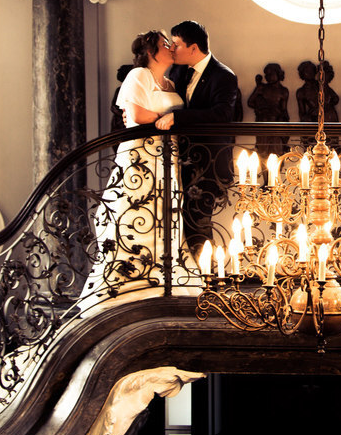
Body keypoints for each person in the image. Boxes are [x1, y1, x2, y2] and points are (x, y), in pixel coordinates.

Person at [82, 30, 183, 304]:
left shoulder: (170, 83)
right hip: (142, 154)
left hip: (167, 154)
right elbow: (136, 114)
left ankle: (162, 276)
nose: (171, 47)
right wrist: (167, 118)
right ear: (151, 52)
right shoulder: (139, 75)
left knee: (164, 212)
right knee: (137, 211)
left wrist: (171, 119)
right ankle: (130, 282)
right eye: (165, 44)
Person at [157, 20, 240, 255]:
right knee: (176, 222)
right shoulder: (178, 71)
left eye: (176, 45)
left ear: (193, 48)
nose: (172, 49)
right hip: (178, 159)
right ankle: (186, 271)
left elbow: (222, 114)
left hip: (207, 163)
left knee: (198, 223)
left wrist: (178, 118)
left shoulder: (223, 76)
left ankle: (205, 272)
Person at [247, 62, 289, 157]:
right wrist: (261, 109)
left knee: (277, 152)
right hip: (263, 123)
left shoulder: (283, 91)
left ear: (278, 74)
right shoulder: (262, 88)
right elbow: (250, 102)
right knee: (263, 152)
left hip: (276, 124)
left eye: (271, 74)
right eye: (266, 75)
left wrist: (283, 123)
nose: (268, 77)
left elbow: (284, 110)